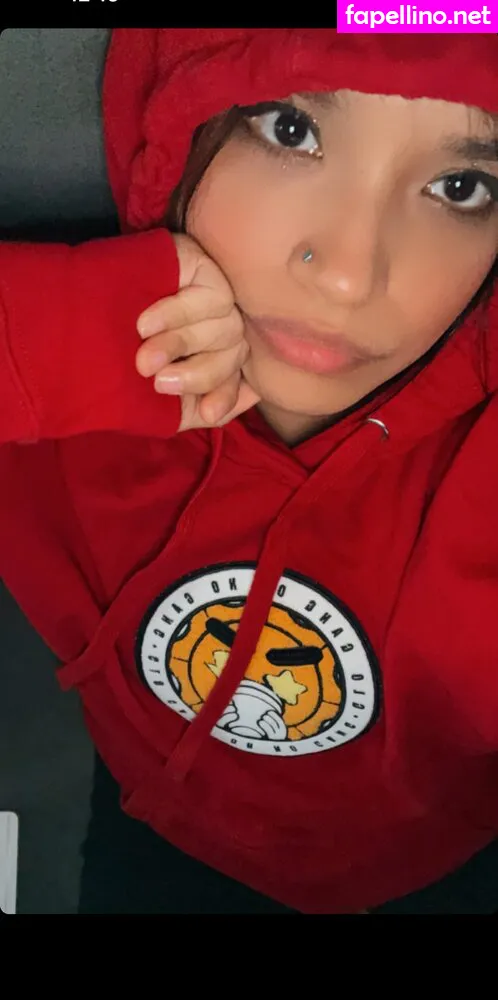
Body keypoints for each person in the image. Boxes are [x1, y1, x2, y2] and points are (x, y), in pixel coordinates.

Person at [1, 27, 498, 914]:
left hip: (431, 869)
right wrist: (62, 340)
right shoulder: (73, 385)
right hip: (145, 820)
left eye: (461, 188)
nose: (347, 274)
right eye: (291, 130)